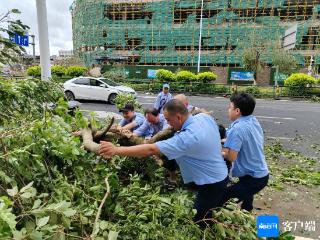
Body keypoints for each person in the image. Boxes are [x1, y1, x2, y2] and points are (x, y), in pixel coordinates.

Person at [100, 99, 228, 224]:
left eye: (168, 120)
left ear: (178, 117)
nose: (168, 124)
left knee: (199, 220)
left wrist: (115, 150)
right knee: (207, 211)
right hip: (217, 173)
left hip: (212, 182)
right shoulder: (203, 118)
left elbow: (151, 149)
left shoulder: (187, 138)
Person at [222, 93, 269, 211]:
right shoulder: (252, 120)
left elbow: (231, 157)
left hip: (254, 178)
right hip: (260, 173)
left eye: (230, 107)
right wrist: (224, 140)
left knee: (223, 199)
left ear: (237, 111)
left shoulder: (237, 129)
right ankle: (247, 211)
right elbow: (243, 137)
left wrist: (216, 152)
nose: (228, 109)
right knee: (247, 195)